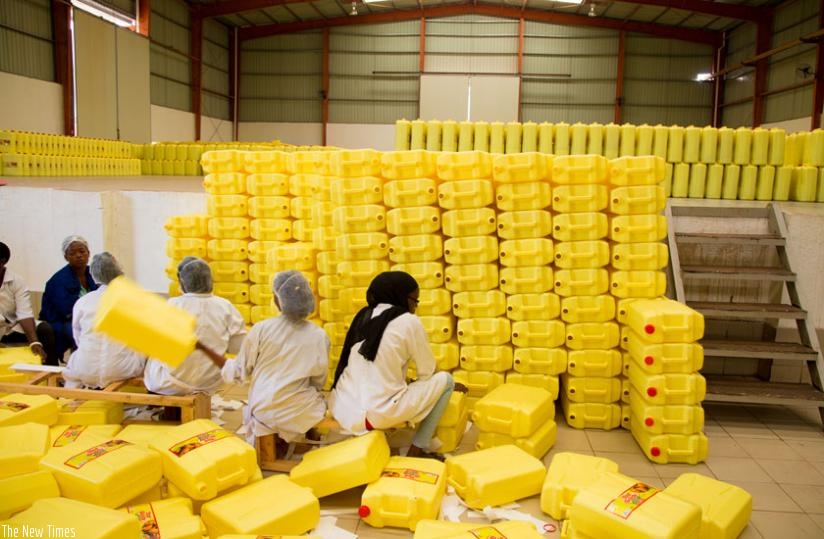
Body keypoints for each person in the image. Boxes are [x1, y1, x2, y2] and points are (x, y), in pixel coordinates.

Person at [328, 271, 461, 459]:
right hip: (378, 414)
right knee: (446, 381)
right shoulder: (408, 321)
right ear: (401, 298)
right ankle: (419, 447)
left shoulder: (363, 316)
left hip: (342, 407)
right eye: (415, 301)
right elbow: (427, 372)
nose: (415, 307)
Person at [198, 270, 329, 446]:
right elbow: (318, 381)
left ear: (277, 300)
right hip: (301, 413)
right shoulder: (319, 335)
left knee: (272, 408)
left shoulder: (261, 329)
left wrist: (204, 349)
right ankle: (306, 440)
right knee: (318, 399)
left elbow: (238, 372)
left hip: (263, 410)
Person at [144, 257, 247, 396]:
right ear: (210, 280)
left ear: (183, 282)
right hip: (210, 383)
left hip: (170, 383)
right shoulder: (225, 306)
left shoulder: (172, 305)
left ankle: (164, 406)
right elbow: (238, 347)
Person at [62, 252, 146, 389]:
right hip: (122, 370)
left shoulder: (83, 302)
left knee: (77, 356)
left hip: (85, 369)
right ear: (120, 273)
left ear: (94, 276)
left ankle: (69, 400)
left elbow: (78, 337)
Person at [39, 235, 98, 363]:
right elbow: (66, 310)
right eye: (73, 253)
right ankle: (82, 367)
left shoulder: (93, 273)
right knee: (84, 334)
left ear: (88, 253)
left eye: (82, 251)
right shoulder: (58, 280)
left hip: (88, 317)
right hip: (61, 320)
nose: (78, 255)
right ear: (66, 257)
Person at [0, 241, 56, 365]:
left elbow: (24, 313)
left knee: (45, 330)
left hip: (13, 327)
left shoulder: (17, 281)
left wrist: (34, 342)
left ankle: (51, 375)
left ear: (2, 262)